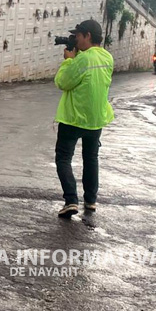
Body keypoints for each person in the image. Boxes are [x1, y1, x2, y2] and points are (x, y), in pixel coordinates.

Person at [53, 19, 114, 218]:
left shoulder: (83, 59)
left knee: (63, 159)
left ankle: (71, 200)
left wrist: (69, 59)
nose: (76, 40)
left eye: (78, 36)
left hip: (74, 118)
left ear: (87, 35)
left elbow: (63, 82)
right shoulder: (107, 58)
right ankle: (91, 201)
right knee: (91, 158)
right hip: (96, 119)